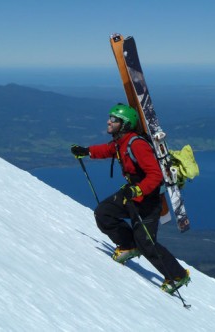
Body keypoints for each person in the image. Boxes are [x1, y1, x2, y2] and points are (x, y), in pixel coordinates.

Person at [71, 103, 190, 293]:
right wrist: (86, 151)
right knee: (104, 213)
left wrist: (137, 191)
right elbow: (108, 150)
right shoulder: (121, 142)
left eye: (114, 120)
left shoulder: (137, 145)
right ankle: (129, 245)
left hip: (148, 201)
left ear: (124, 124)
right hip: (133, 194)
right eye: (110, 118)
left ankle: (177, 275)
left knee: (147, 243)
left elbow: (155, 175)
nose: (109, 122)